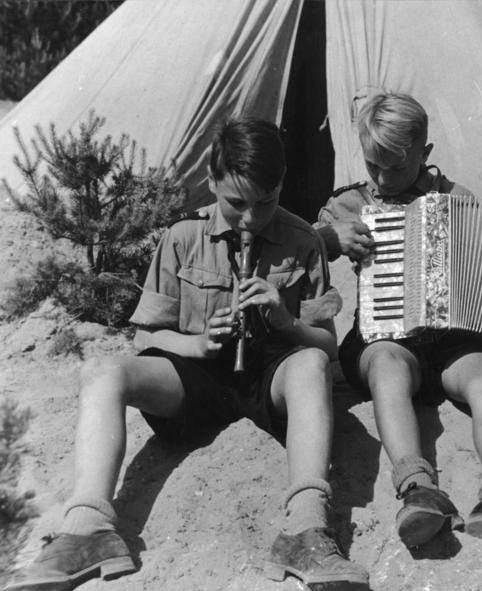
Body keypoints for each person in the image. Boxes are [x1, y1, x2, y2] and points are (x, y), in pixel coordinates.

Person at [4, 117, 368, 591]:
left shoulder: (302, 240)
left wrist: (286, 321)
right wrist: (195, 343)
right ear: (212, 182)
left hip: (272, 378)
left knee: (311, 364)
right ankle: (87, 528)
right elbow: (146, 338)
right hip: (195, 381)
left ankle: (306, 529)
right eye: (236, 203)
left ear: (281, 187)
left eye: (267, 203)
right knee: (102, 370)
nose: (252, 219)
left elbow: (324, 345)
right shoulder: (182, 236)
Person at [315, 91, 482, 549]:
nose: (382, 179)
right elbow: (292, 250)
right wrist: (328, 236)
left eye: (397, 167)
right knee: (386, 366)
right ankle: (417, 490)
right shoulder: (348, 205)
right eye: (372, 165)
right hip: (385, 340)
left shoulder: (457, 200)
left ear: (425, 154)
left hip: (453, 344)